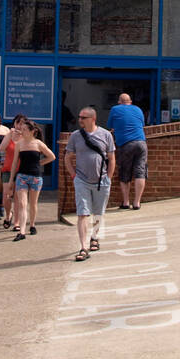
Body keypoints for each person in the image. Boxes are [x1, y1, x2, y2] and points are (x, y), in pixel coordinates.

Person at [64, 106, 115, 262]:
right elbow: (68, 157)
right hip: (82, 181)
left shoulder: (106, 135)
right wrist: (74, 175)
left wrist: (109, 178)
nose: (79, 120)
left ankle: (94, 237)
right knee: (82, 213)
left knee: (98, 213)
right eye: (79, 117)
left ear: (93, 119)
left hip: (101, 180)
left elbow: (112, 158)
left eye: (83, 117)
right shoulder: (75, 136)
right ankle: (83, 247)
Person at [8, 120, 56, 242]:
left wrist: (40, 163)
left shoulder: (38, 144)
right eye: (21, 129)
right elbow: (14, 163)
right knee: (22, 203)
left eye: (24, 129)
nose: (22, 132)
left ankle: (32, 224)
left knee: (33, 203)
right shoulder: (19, 144)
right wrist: (11, 180)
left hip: (35, 177)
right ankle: (22, 231)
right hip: (22, 176)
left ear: (32, 131)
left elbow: (52, 156)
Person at [106, 92, 147, 209]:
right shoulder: (138, 109)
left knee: (125, 173)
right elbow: (141, 124)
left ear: (119, 102)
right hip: (141, 143)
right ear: (130, 102)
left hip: (125, 144)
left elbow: (110, 126)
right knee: (140, 172)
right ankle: (137, 203)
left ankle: (125, 202)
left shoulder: (115, 109)